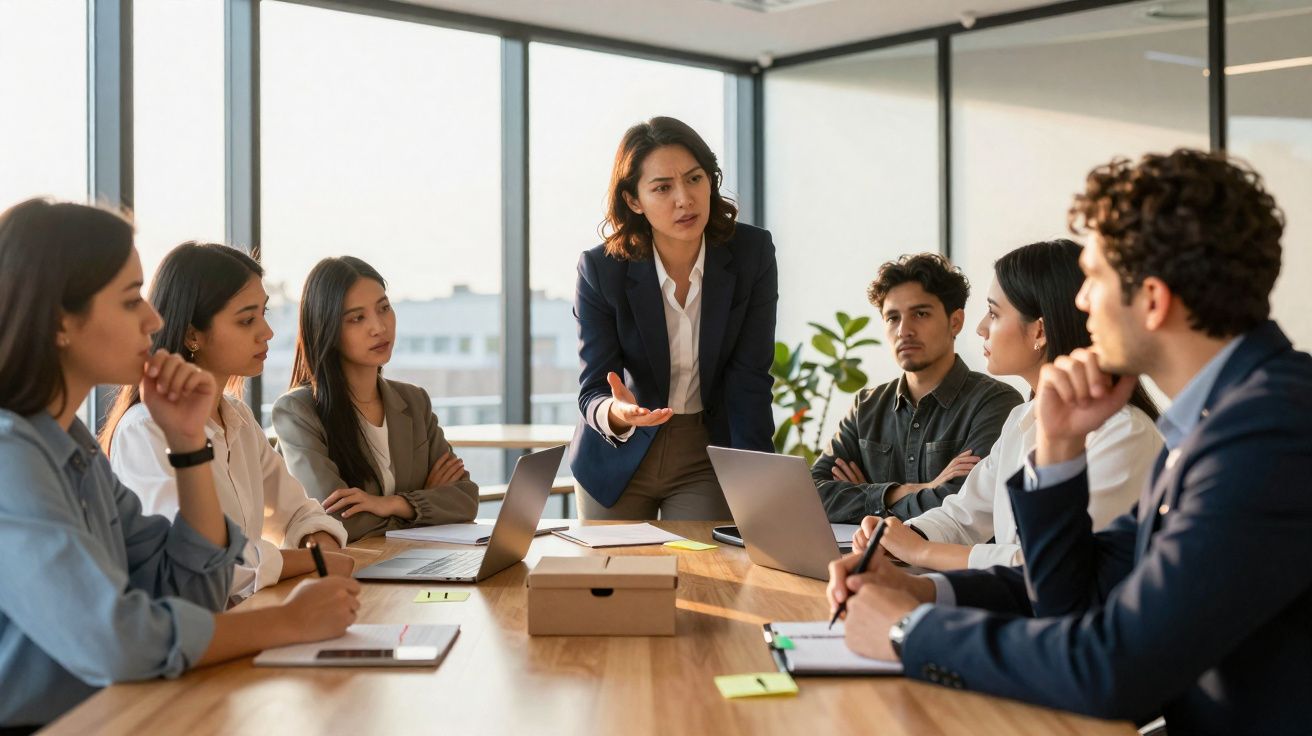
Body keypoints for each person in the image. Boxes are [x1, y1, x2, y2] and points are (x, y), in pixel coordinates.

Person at [827, 150, 1312, 734]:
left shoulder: (1271, 435)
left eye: (1097, 279)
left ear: (1153, 301)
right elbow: (1079, 593)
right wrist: (921, 589)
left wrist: (909, 631)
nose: (1080, 303)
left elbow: (1115, 667)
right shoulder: (1217, 420)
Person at [0, 199, 359, 731]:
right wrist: (286, 622)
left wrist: (189, 446)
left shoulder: (70, 448)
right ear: (59, 322)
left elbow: (192, 588)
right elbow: (114, 638)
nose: (152, 319)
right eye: (129, 302)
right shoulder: (12, 458)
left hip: (114, 711)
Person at [852, 240, 1162, 570]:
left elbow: (1052, 569)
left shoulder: (1124, 434)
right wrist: (897, 537)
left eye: (994, 313)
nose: (981, 327)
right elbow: (964, 515)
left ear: (1039, 331)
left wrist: (921, 552)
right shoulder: (1023, 418)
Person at [103, 243, 352, 604]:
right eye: (246, 319)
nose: (266, 331)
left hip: (244, 616)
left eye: (263, 313)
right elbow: (205, 565)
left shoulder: (237, 417)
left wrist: (322, 551)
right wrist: (313, 560)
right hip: (195, 639)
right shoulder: (146, 430)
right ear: (193, 335)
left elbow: (298, 511)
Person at [570, 116, 778, 520]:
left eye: (695, 179)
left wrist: (760, 482)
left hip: (705, 451)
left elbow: (750, 377)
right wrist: (617, 412)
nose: (684, 199)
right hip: (618, 452)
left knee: (705, 578)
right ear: (634, 200)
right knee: (616, 577)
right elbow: (593, 387)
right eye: (662, 188)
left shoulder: (752, 253)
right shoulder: (601, 269)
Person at [273, 256, 477, 542]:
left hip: (411, 565)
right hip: (348, 575)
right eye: (357, 318)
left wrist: (394, 503)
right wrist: (424, 506)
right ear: (328, 329)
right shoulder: (298, 411)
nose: (379, 327)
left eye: (384, 308)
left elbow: (465, 500)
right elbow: (336, 521)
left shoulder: (414, 401)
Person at [811, 253, 1023, 523]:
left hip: (954, 564)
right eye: (892, 318)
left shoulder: (995, 403)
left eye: (920, 314)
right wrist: (908, 491)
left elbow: (961, 505)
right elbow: (812, 495)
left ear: (955, 321)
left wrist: (865, 496)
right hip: (865, 560)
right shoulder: (866, 406)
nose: (904, 330)